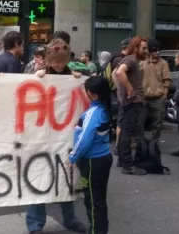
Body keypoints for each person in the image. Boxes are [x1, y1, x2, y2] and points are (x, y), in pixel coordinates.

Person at [28, 38, 86, 234]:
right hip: (41, 137)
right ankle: (35, 224)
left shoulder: (72, 75)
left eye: (62, 61)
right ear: (49, 59)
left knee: (66, 179)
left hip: (64, 138)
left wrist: (77, 78)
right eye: (55, 61)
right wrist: (36, 76)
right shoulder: (39, 74)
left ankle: (70, 219)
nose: (59, 65)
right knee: (38, 179)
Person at [69, 76, 113, 234]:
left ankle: (97, 230)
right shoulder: (103, 108)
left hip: (92, 162)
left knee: (93, 201)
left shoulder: (93, 113)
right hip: (101, 159)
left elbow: (84, 140)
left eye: (86, 90)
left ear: (93, 94)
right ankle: (99, 229)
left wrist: (73, 157)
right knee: (98, 199)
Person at [113, 36, 148, 176]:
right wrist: (129, 89)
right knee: (128, 133)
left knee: (124, 132)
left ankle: (123, 161)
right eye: (143, 48)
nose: (146, 51)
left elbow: (115, 74)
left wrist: (122, 92)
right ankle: (127, 165)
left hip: (128, 102)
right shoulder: (131, 60)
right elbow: (119, 73)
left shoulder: (129, 60)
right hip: (132, 102)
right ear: (135, 48)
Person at [139, 39, 171, 143]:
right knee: (140, 121)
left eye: (159, 50)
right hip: (143, 98)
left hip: (158, 98)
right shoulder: (142, 63)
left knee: (157, 123)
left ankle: (154, 143)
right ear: (149, 51)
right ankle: (141, 143)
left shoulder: (163, 63)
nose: (158, 52)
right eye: (155, 50)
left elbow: (167, 80)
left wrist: (164, 95)